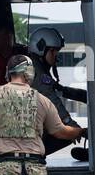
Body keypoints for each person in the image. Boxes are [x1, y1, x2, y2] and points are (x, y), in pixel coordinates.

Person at [28, 26, 89, 161]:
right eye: (53, 51)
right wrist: (72, 126)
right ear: (41, 48)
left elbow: (59, 90)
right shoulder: (36, 72)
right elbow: (52, 100)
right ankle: (34, 155)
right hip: (28, 134)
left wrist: (86, 96)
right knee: (66, 133)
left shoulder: (37, 67)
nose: (56, 55)